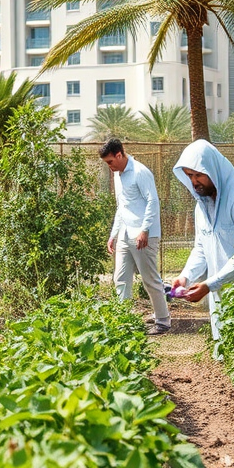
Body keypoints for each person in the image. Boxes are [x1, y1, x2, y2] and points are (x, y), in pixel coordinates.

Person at [171, 140, 234, 350]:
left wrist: (209, 284)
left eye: (198, 175)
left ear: (213, 170)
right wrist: (186, 275)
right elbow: (201, 248)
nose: (194, 182)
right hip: (220, 294)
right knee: (228, 355)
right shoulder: (202, 205)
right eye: (189, 176)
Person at [99, 138, 171, 336]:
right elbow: (122, 207)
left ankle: (163, 321)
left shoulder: (140, 172)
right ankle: (124, 321)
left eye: (110, 161)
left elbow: (152, 201)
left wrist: (145, 230)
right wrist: (113, 234)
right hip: (125, 234)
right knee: (120, 278)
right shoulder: (117, 175)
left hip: (143, 236)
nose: (109, 166)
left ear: (119, 155)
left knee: (150, 279)